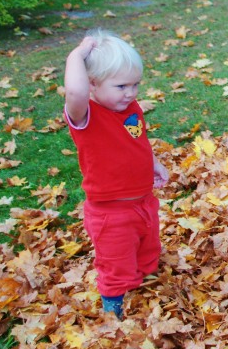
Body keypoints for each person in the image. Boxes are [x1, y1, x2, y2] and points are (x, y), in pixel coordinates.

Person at [64, 30, 169, 318]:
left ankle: (144, 281)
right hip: (111, 213)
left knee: (147, 250)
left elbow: (137, 139)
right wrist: (78, 54)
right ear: (93, 85)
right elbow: (74, 91)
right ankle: (113, 307)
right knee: (116, 262)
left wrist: (153, 162)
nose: (131, 93)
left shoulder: (129, 107)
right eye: (122, 86)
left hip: (143, 202)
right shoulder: (85, 115)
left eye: (136, 84)